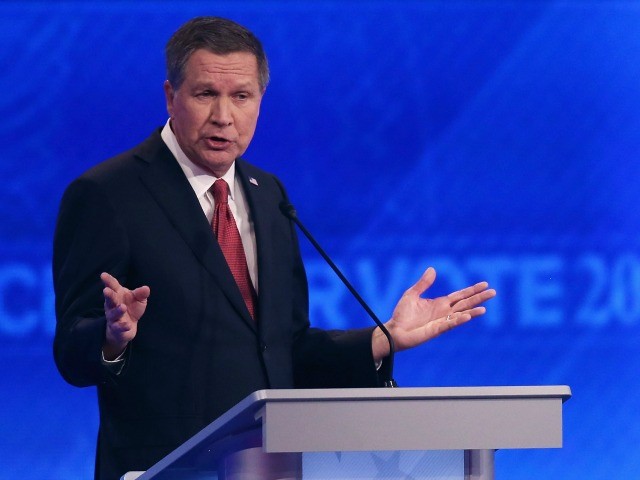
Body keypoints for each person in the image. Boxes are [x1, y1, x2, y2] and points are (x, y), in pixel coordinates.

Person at [53, 16, 496, 480]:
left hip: (272, 466)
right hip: (166, 468)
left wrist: (382, 339)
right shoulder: (109, 194)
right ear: (170, 96)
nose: (223, 116)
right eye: (206, 94)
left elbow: (285, 349)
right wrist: (111, 337)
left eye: (241, 97)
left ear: (259, 100)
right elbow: (70, 351)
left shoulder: (269, 195)